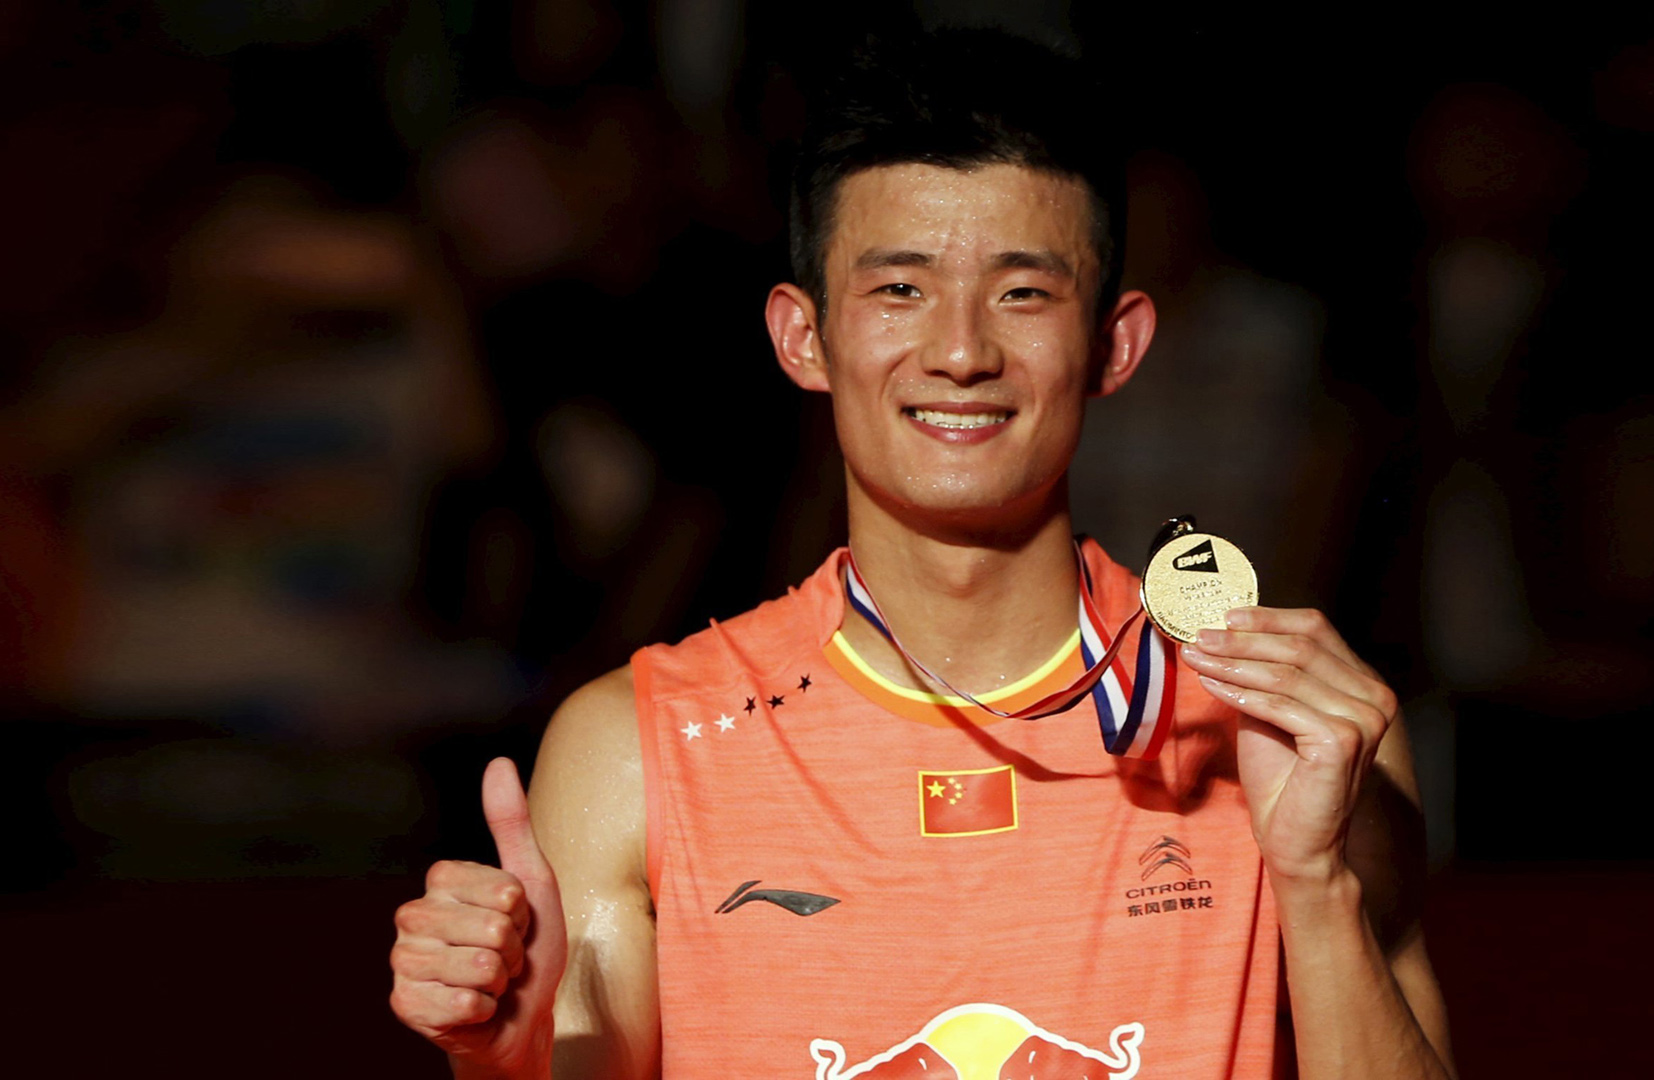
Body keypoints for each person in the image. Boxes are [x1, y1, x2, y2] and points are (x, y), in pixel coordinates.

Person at [389, 29, 1453, 1079]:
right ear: (802, 337)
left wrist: (1317, 887)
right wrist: (506, 1057)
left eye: (1022, 293)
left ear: (1113, 344)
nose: (960, 351)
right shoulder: (639, 747)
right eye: (900, 289)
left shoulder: (1288, 721)